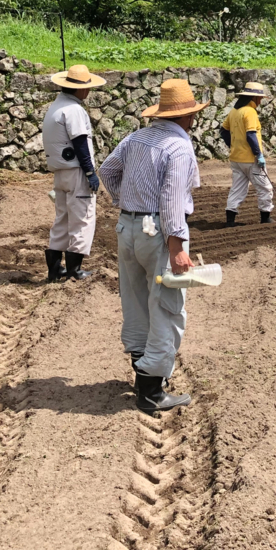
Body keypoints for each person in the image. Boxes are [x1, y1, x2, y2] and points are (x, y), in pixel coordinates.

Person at [99, 78, 207, 413]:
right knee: (167, 307)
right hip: (158, 233)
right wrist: (177, 247)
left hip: (127, 227)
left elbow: (106, 170)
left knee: (135, 301)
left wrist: (124, 200)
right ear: (188, 116)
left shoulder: (136, 138)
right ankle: (150, 390)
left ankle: (140, 367)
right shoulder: (179, 147)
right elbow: (173, 199)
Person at [41, 64, 107, 282]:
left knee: (62, 218)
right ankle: (74, 269)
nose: (88, 91)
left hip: (59, 172)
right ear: (79, 89)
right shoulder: (75, 110)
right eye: (87, 87)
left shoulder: (55, 108)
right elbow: (80, 143)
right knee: (83, 218)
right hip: (76, 171)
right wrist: (90, 172)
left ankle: (55, 268)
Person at [219, 81, 274, 226]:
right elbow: (251, 135)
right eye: (260, 98)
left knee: (237, 188)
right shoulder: (250, 112)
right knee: (265, 187)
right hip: (251, 160)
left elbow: (223, 131)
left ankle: (230, 220)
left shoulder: (234, 111)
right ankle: (265, 218)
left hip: (236, 159)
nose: (261, 101)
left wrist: (233, 144)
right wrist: (258, 155)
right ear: (254, 98)